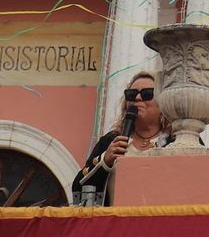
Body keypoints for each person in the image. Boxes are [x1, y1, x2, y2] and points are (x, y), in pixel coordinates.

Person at [72, 71, 171, 201]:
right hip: (116, 219)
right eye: (131, 94)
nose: (137, 98)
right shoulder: (110, 142)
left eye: (147, 94)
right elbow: (78, 189)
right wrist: (105, 161)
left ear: (163, 102)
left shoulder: (177, 141)